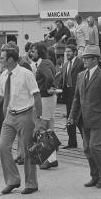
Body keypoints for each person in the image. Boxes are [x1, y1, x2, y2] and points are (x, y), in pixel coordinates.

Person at [0, 48, 42, 194]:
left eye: (2, 57)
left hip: (26, 115)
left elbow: (36, 96)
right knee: (3, 147)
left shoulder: (26, 74)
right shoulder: (5, 74)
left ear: (10, 59)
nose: (0, 60)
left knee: (28, 151)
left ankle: (31, 183)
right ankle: (13, 180)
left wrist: (38, 119)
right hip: (10, 116)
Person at [68, 45, 101, 188]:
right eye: (84, 58)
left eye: (87, 58)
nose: (84, 60)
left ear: (95, 60)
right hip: (84, 119)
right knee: (87, 149)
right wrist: (72, 116)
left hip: (98, 118)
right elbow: (76, 98)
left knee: (94, 146)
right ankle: (94, 176)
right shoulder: (80, 75)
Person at [31, 42, 57, 170]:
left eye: (34, 51)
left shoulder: (43, 64)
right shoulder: (48, 61)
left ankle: (50, 159)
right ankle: (53, 158)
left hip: (45, 99)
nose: (32, 53)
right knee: (49, 129)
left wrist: (47, 88)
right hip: (49, 99)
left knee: (42, 128)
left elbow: (50, 77)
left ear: (39, 51)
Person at [59, 44, 84, 148]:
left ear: (75, 52)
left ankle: (88, 142)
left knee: (80, 120)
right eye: (66, 51)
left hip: (78, 95)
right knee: (70, 118)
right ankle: (72, 142)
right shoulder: (65, 65)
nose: (67, 53)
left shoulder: (80, 63)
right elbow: (62, 81)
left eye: (69, 51)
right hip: (68, 95)